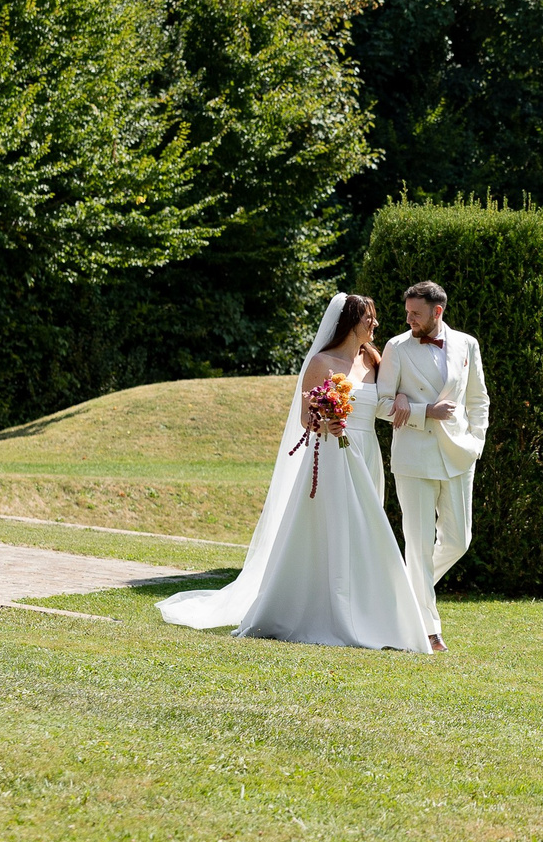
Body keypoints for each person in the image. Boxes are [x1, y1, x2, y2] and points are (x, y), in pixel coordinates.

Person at [155, 292, 432, 651]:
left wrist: (403, 399)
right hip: (332, 454)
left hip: (367, 454)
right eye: (369, 318)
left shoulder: (375, 361)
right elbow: (306, 418)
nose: (375, 324)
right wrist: (327, 419)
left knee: (366, 530)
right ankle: (327, 609)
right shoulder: (321, 362)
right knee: (332, 529)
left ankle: (366, 609)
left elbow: (386, 399)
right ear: (350, 323)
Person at [375, 279, 488, 650]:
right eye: (407, 312)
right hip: (414, 459)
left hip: (459, 455)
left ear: (437, 312)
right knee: (419, 546)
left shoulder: (467, 344)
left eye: (416, 314)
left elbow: (479, 399)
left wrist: (476, 442)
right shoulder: (395, 347)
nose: (409, 319)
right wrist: (424, 411)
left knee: (459, 540)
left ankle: (403, 597)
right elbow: (380, 404)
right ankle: (428, 628)